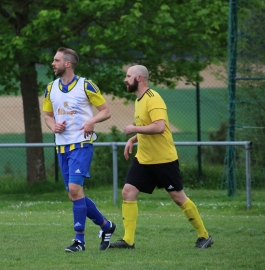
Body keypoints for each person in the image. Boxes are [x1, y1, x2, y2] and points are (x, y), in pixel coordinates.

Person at [110, 65, 213, 249]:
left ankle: (204, 236)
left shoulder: (153, 98)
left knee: (178, 197)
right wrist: (133, 139)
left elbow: (159, 127)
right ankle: (128, 240)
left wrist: (133, 129)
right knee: (128, 191)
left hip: (164, 159)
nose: (125, 79)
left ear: (139, 78)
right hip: (144, 159)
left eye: (128, 76)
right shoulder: (138, 100)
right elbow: (146, 126)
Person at [43, 47, 116, 252]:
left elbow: (106, 111)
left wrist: (91, 120)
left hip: (81, 145)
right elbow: (48, 115)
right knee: (74, 194)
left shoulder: (86, 85)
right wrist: (52, 126)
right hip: (62, 146)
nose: (52, 63)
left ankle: (79, 241)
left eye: (56, 60)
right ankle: (106, 225)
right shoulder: (51, 88)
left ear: (67, 64)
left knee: (74, 190)